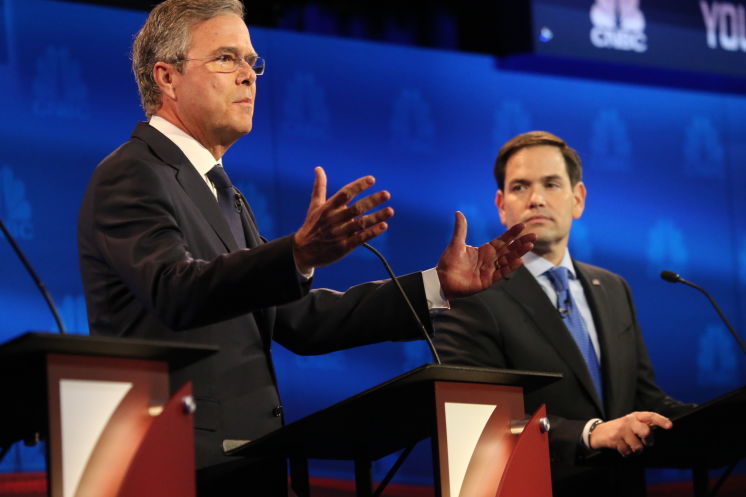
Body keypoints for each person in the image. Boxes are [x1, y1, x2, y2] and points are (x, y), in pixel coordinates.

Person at [77, 1, 535, 495]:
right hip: (177, 465)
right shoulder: (132, 173)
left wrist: (435, 287)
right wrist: (295, 255)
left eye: (252, 62)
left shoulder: (218, 188)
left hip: (248, 463)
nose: (249, 76)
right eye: (226, 59)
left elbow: (298, 320)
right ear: (166, 77)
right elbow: (174, 291)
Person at [433, 131, 692, 497]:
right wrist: (590, 433)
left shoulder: (613, 287)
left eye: (551, 184)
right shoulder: (472, 296)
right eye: (520, 187)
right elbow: (481, 421)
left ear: (578, 198)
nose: (536, 199)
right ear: (501, 204)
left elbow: (645, 399)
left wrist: (720, 422)